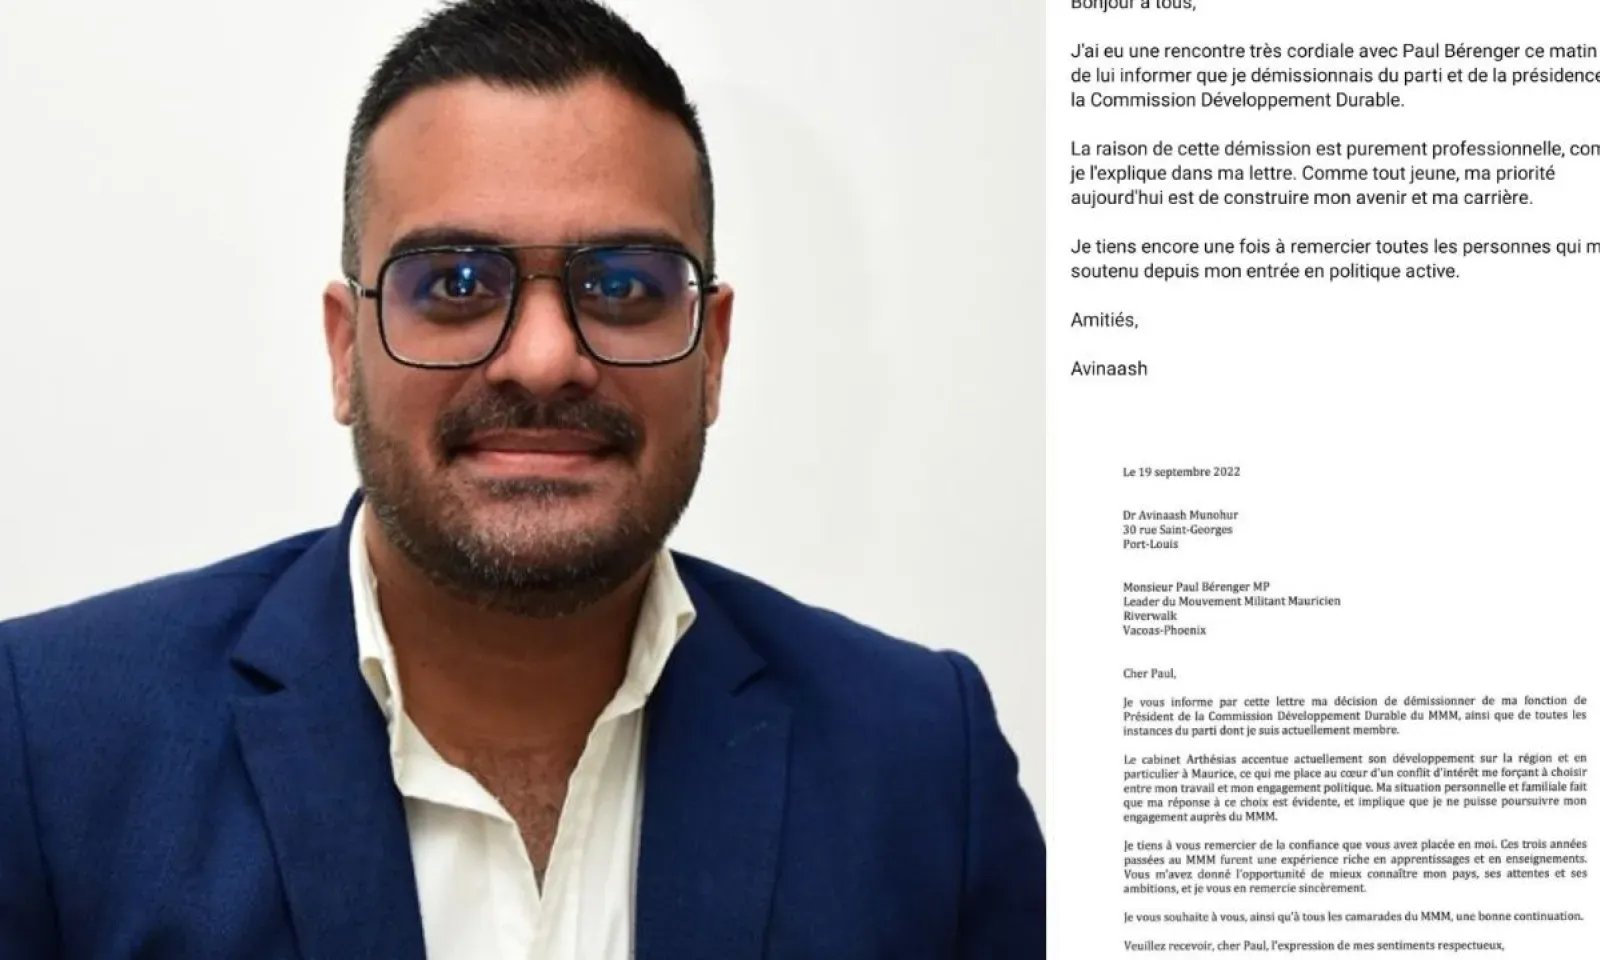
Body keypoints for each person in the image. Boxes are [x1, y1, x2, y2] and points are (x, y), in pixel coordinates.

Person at [0, 0, 1045, 956]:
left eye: (623, 286)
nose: (543, 360)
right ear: (345, 350)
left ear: (712, 350)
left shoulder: (921, 761)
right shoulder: (47, 747)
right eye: (455, 283)